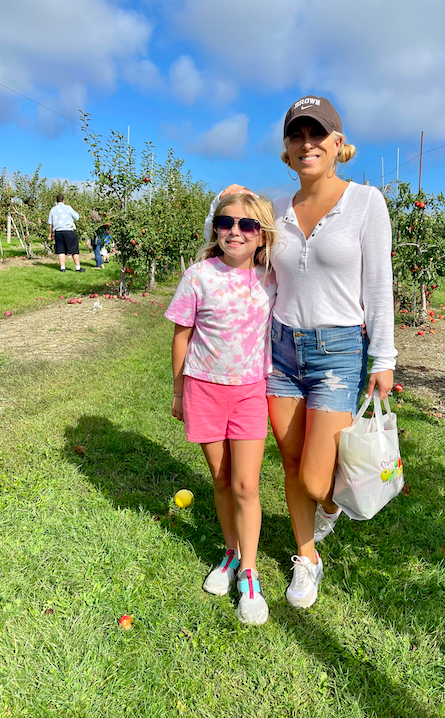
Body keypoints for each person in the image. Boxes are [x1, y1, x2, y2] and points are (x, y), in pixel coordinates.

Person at [209, 95, 397, 609]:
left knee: (318, 478)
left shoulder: (365, 203)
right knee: (291, 462)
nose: (307, 143)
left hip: (338, 351)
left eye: (318, 134)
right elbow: (232, 235)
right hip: (282, 348)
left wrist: (383, 357)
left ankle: (329, 510)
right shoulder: (276, 212)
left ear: (338, 143)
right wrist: (227, 197)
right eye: (297, 135)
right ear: (287, 150)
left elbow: (379, 284)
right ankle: (307, 557)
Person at [165, 193, 277, 625]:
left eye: (247, 225)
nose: (235, 230)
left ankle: (249, 572)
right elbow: (181, 335)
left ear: (261, 234)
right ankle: (231, 553)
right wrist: (178, 391)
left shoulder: (271, 279)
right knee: (222, 478)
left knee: (247, 485)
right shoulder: (198, 277)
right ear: (216, 227)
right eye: (226, 221)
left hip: (249, 392)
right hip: (204, 391)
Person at [48, 194, 85, 272]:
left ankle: (62, 268)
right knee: (74, 250)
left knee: (61, 250)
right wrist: (71, 208)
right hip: (69, 230)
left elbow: (50, 223)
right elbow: (77, 217)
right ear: (63, 200)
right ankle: (78, 267)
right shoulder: (68, 208)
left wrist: (50, 233)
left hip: (58, 231)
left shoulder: (53, 209)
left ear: (56, 201)